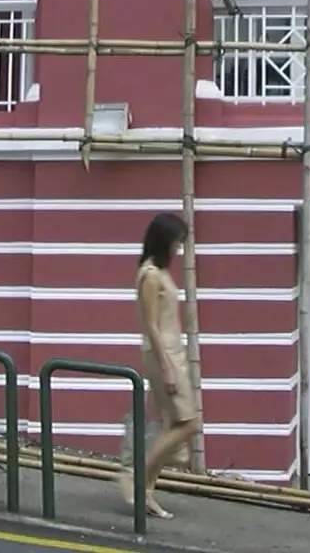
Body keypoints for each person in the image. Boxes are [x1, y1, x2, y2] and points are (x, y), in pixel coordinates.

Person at [118, 212, 200, 520]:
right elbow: (150, 325)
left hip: (171, 352)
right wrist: (166, 367)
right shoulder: (150, 275)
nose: (179, 248)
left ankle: (146, 492)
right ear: (164, 240)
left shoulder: (160, 272)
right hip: (162, 353)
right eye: (177, 241)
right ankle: (136, 479)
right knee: (189, 422)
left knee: (173, 424)